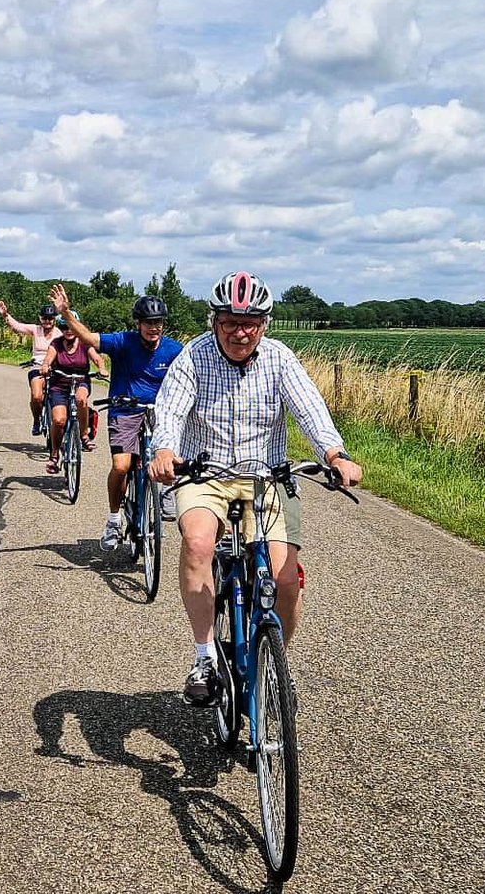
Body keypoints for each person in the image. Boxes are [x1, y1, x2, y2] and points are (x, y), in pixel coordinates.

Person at [149, 271, 363, 707]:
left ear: (264, 324)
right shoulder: (193, 357)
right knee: (197, 543)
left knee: (286, 579)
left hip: (266, 477)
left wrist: (335, 455)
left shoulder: (279, 359)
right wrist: (165, 449)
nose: (240, 332)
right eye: (229, 322)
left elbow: (309, 409)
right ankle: (205, 656)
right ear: (214, 321)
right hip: (203, 474)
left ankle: (272, 662)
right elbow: (169, 410)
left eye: (250, 323)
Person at [50, 285, 184, 550]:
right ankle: (113, 520)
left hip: (159, 413)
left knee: (170, 460)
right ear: (138, 323)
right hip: (125, 411)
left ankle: (165, 494)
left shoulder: (174, 349)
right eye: (148, 323)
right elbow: (88, 338)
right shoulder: (123, 341)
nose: (153, 328)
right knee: (122, 466)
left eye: (158, 323)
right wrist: (65, 312)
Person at [0, 299, 63, 435]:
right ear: (40, 318)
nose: (47, 321)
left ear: (55, 319)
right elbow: (17, 326)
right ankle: (37, 420)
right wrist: (5, 315)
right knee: (37, 396)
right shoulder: (35, 330)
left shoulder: (59, 333)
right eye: (44, 318)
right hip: (37, 367)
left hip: (55, 368)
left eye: (50, 318)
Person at [40, 318, 97, 474]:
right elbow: (49, 358)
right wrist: (45, 365)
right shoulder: (56, 344)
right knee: (59, 421)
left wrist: (102, 367)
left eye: (71, 326)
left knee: (81, 399)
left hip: (80, 382)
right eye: (64, 327)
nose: (68, 330)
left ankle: (84, 436)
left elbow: (96, 357)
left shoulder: (84, 343)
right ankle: (54, 455)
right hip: (59, 386)